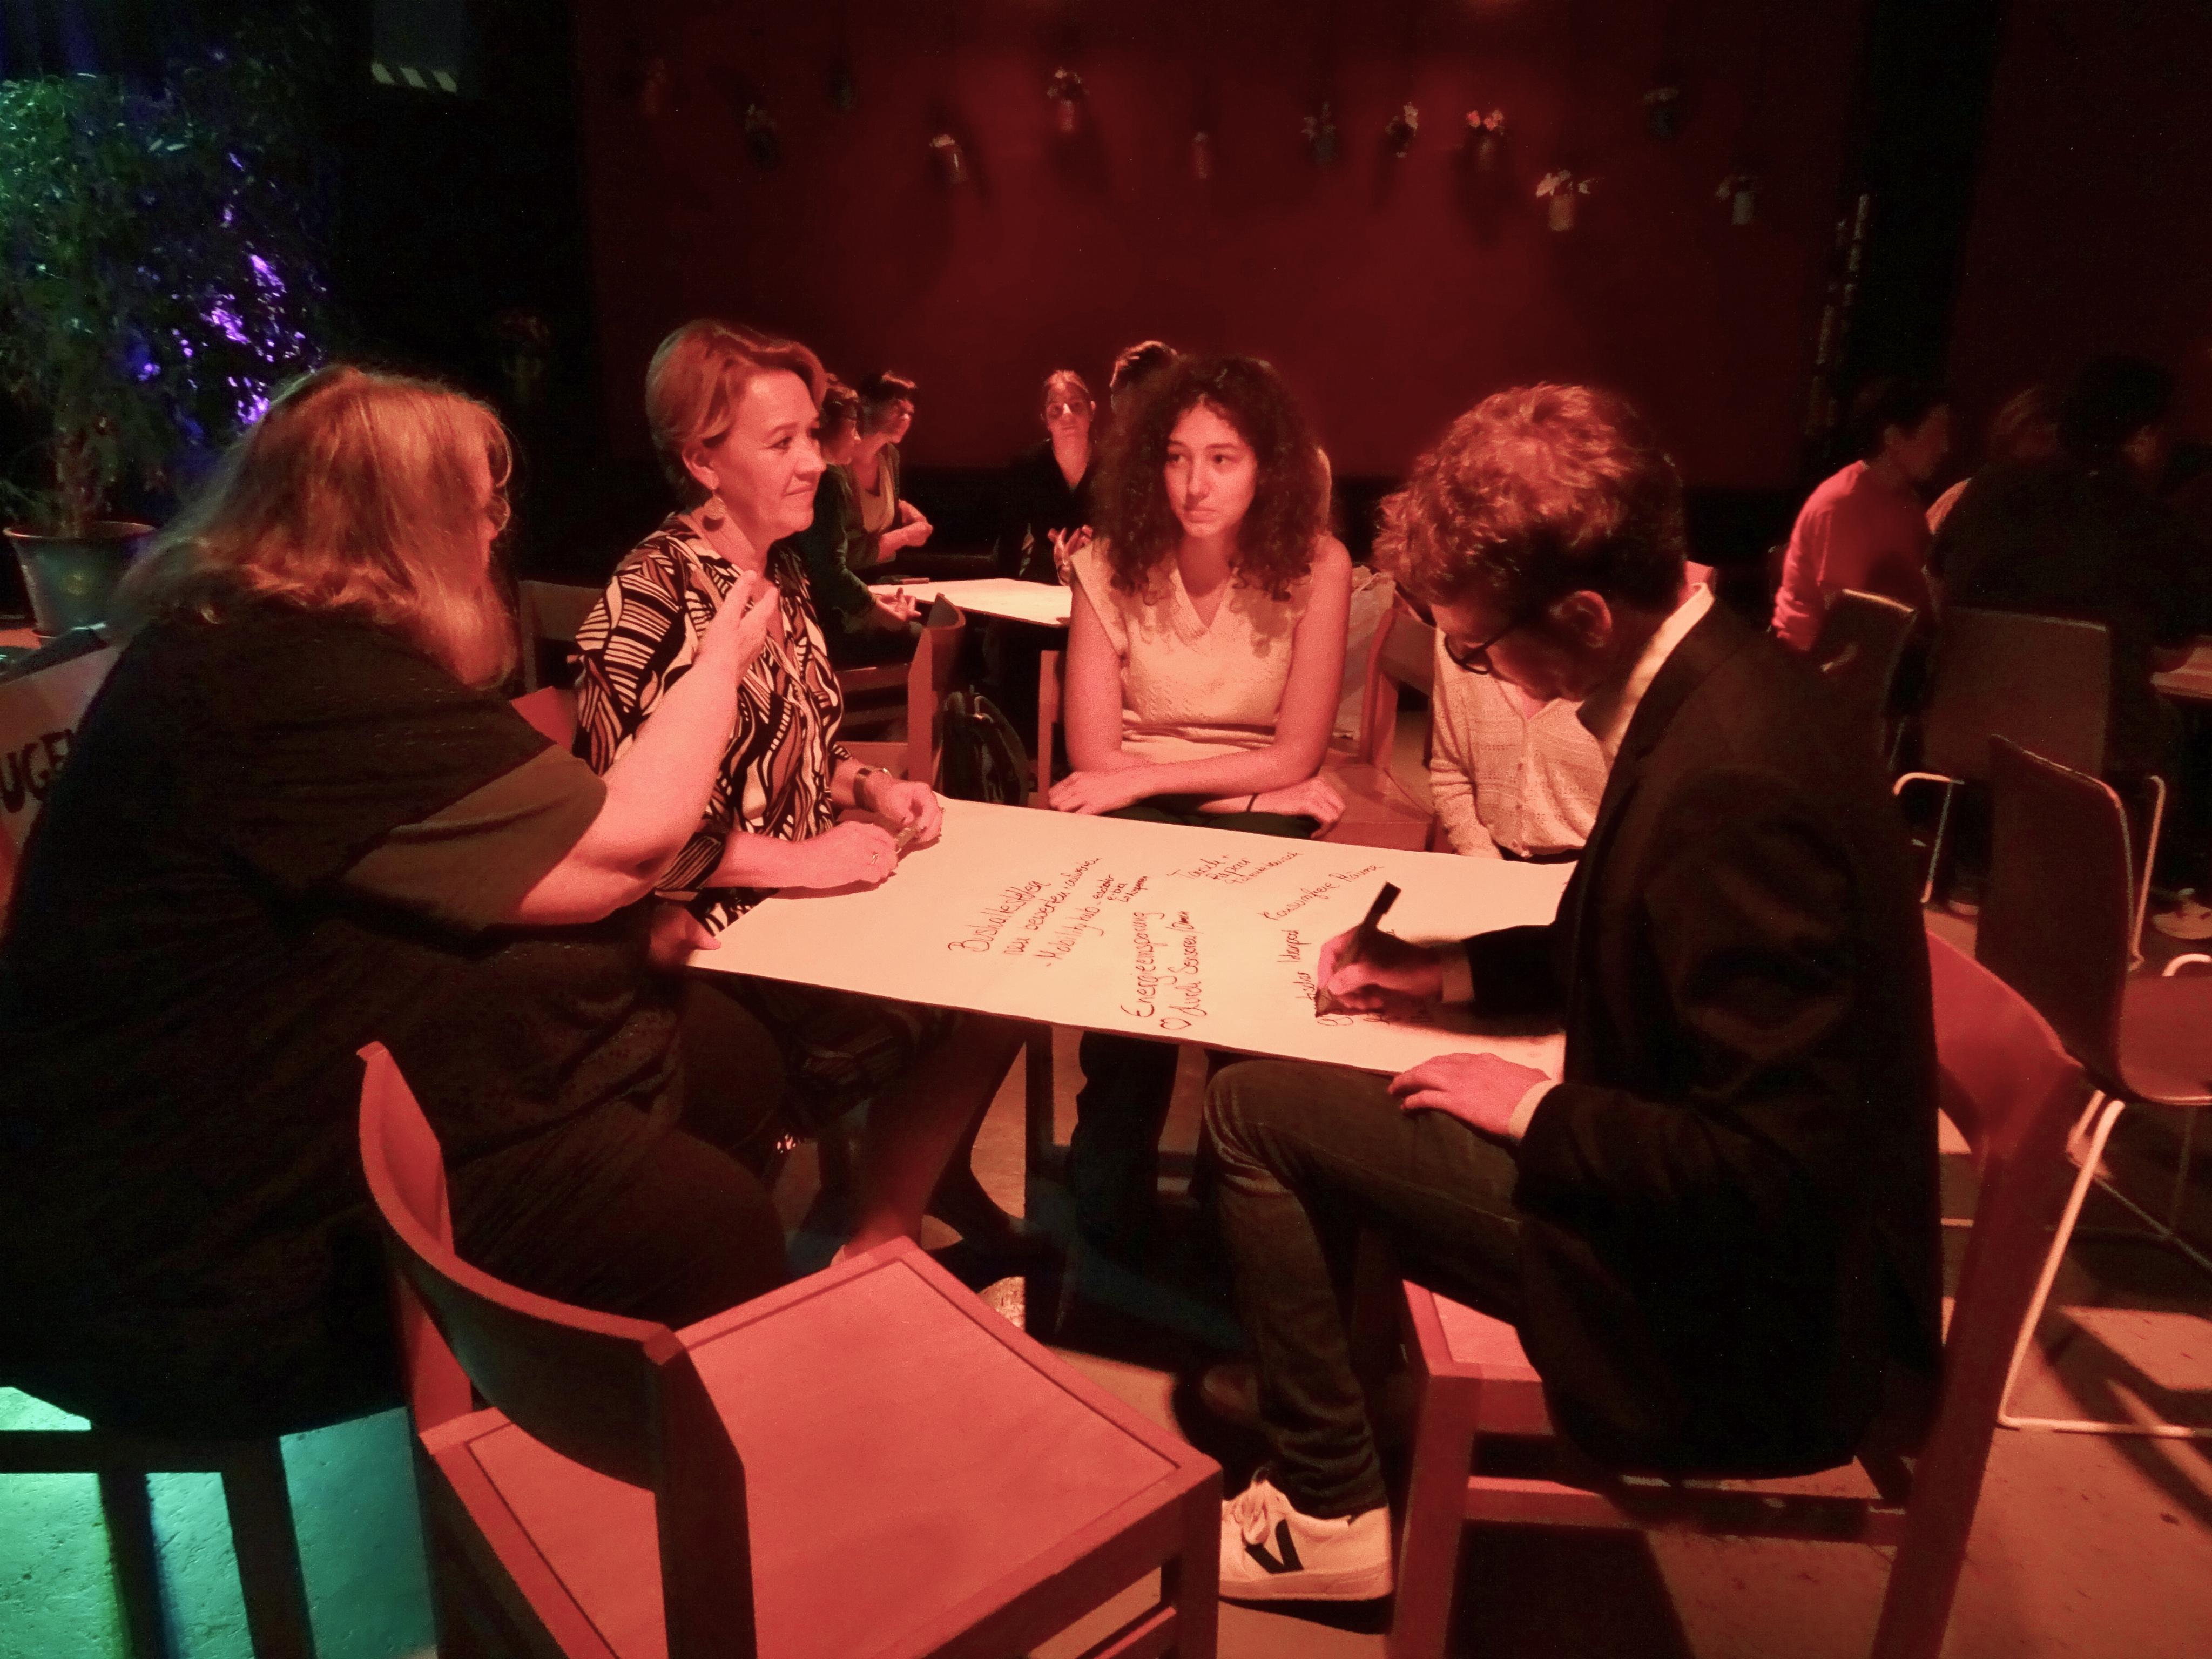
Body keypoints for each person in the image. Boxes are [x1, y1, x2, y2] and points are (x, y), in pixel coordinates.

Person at [1202, 385, 1939, 1604]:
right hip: (1725, 1234)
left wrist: (1533, 1108)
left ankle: (1327, 1508)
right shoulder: (1726, 681)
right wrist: (1442, 971)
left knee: (1251, 1111)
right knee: (1325, 1081)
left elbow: (1773, 1169)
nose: (1483, 672)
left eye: (1480, 648)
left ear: (1586, 615)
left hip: (1737, 1314)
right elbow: (1624, 924)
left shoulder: (1736, 782)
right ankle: (1317, 1384)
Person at [0, 367, 793, 1438]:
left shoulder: (262, 643)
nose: (496, 530)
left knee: (721, 1052)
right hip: (173, 1253)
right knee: (708, 1227)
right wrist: (719, 661)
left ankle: (613, 1421)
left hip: (238, 1123)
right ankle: (620, 1498)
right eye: (479, 505)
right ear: (401, 525)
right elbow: (622, 849)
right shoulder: (281, 678)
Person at [575, 320, 1032, 1263]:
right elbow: (621, 838)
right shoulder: (651, 596)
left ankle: (893, 1212)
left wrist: (870, 784)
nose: (815, 462)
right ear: (702, 461)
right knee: (965, 989)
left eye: (811, 435)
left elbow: (790, 748)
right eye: (781, 442)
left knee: (1013, 970)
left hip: (792, 905)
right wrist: (799, 860)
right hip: (710, 932)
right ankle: (879, 1239)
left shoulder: (775, 566)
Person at [1053, 353, 1352, 1254]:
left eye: (1223, 459)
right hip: (1213, 802)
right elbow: (1090, 755)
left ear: (1268, 466)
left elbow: (1299, 752)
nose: (1195, 484)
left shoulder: (1318, 564)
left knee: (1248, 997)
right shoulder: (1105, 562)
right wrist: (1246, 786)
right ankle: (1108, 1211)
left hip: (1205, 800)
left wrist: (1149, 778)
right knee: (1128, 996)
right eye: (1177, 457)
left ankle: (1243, 1208)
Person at [1934, 355, 2212, 935]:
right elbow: (2171, 654)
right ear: (2144, 437)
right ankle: (2138, 894)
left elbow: (1937, 589)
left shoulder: (1988, 489)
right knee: (2168, 729)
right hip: (2098, 742)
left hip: (1966, 724)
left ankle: (1972, 874)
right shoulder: (2157, 525)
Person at [1414, 588, 1607, 859]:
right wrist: (1482, 857)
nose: (1462, 654)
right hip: (1490, 862)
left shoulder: (1619, 657)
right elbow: (1451, 771)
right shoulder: (1454, 633)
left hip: (1594, 866)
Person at [1771, 377, 1951, 651]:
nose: (1945, 448)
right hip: (1813, 660)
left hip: (1877, 649)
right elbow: (1849, 621)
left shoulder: (1907, 502)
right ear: (1893, 438)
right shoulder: (1841, 504)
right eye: (1935, 436)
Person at [791, 377, 921, 667]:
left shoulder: (820, 475)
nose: (858, 437)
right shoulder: (830, 478)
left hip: (810, 606)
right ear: (824, 426)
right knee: (921, 637)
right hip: (821, 620)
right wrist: (876, 610)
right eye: (853, 426)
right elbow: (829, 571)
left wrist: (872, 602)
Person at [996, 368, 1098, 585]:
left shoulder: (1114, 465)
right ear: (1046, 420)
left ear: (1092, 411)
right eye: (1056, 410)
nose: (1067, 414)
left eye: (1076, 406)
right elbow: (1009, 547)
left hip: (1102, 578)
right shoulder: (1027, 467)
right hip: (1042, 582)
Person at [1924, 385, 2059, 536]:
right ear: (2013, 435)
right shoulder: (1964, 496)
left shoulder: (2059, 506)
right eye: (2040, 437)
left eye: (2058, 441)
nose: (2048, 449)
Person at [845, 370, 932, 571]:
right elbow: (843, 555)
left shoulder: (890, 455)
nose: (906, 418)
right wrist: (906, 536)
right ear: (865, 403)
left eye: (910, 413)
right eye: (896, 407)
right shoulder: (838, 461)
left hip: (882, 574)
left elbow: (874, 507)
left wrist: (903, 509)